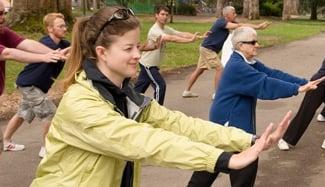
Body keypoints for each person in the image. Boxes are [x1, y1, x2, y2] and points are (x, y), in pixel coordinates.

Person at [31, 6, 292, 186]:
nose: (137, 54)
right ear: (102, 52)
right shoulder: (80, 102)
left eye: (138, 46)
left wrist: (248, 139)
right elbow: (145, 141)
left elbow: (179, 123)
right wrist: (224, 159)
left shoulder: (124, 95)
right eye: (129, 48)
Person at [187, 27, 325, 187]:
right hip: (229, 128)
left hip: (230, 127)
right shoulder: (237, 67)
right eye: (253, 42)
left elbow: (272, 74)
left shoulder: (246, 62)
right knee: (230, 168)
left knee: (208, 168)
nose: (257, 45)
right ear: (240, 45)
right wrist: (296, 89)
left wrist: (303, 82)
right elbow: (264, 84)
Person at [0, 2, 66, 154]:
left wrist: (54, 53)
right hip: (30, 85)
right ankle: (46, 149)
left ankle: (7, 141)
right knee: (50, 114)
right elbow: (8, 53)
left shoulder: (3, 32)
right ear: (50, 28)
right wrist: (45, 56)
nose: (3, 18)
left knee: (23, 114)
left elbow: (25, 43)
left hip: (31, 85)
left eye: (4, 13)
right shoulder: (46, 41)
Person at [183, 6, 269, 99]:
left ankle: (186, 91)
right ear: (227, 15)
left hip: (207, 48)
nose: (235, 14)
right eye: (234, 13)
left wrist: (258, 27)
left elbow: (242, 24)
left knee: (199, 70)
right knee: (220, 69)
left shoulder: (229, 22)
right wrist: (258, 26)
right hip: (208, 49)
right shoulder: (221, 22)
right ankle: (217, 94)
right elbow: (239, 26)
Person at [135, 6, 206, 105]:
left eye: (166, 15)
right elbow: (171, 38)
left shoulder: (165, 28)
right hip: (148, 65)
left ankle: (127, 104)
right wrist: (190, 40)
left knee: (138, 90)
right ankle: (158, 111)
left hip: (151, 64)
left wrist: (199, 37)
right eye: (162, 14)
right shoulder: (155, 30)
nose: (165, 17)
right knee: (160, 86)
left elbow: (180, 34)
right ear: (156, 15)